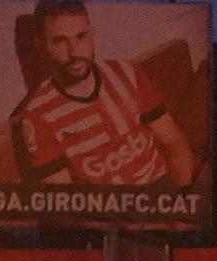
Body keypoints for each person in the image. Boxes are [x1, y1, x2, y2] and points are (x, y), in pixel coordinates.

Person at [12, 1, 197, 186]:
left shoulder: (126, 73)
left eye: (81, 36)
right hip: (110, 210)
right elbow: (63, 198)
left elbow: (173, 143)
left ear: (92, 36)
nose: (74, 51)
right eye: (60, 41)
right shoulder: (37, 115)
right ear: (42, 47)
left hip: (162, 191)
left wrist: (182, 198)